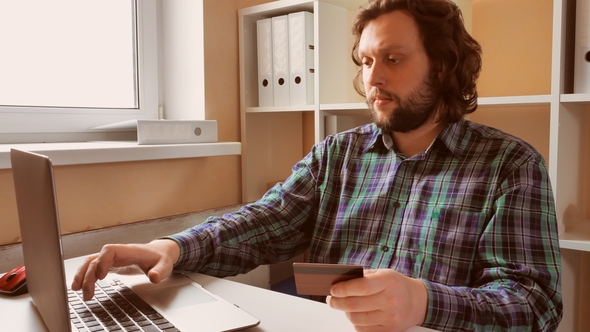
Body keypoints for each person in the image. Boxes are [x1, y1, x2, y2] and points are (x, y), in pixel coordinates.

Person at [72, 0, 563, 331]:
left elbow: (534, 302)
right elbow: (265, 222)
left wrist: (423, 301)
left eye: (393, 58)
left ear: (443, 65)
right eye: (367, 61)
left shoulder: (510, 165)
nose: (374, 78)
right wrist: (170, 247)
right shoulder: (337, 154)